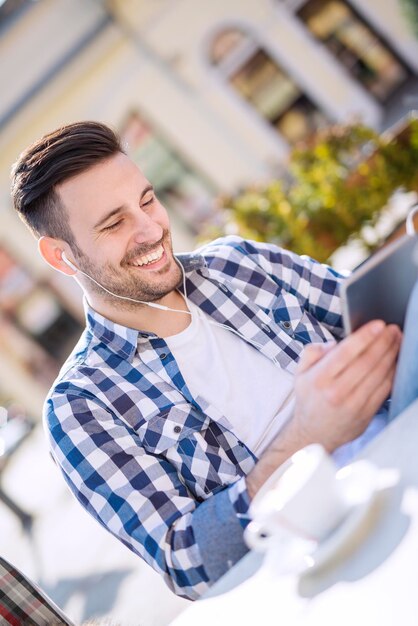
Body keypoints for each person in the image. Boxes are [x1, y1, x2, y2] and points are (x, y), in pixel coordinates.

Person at [10, 121, 409, 600]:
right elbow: (186, 562)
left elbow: (389, 312)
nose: (151, 229)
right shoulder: (80, 409)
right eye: (114, 223)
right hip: (320, 571)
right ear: (61, 256)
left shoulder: (239, 263)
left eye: (147, 200)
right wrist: (310, 435)